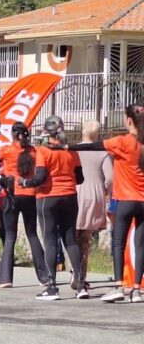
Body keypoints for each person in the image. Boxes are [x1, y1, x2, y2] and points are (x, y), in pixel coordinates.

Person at [65, 105, 144, 302]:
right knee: (141, 244)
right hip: (143, 201)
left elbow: (94, 146)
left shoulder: (123, 141)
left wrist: (68, 147)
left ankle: (118, 286)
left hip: (126, 199)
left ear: (128, 121)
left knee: (118, 243)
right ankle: (136, 289)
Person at [19, 115, 86, 300]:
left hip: (48, 198)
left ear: (46, 131)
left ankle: (51, 286)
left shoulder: (44, 151)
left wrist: (24, 182)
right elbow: (80, 178)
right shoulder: (71, 151)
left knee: (49, 240)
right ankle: (81, 285)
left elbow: (39, 178)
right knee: (71, 240)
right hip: (70, 196)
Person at [0, 122, 48, 287]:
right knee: (32, 234)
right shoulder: (35, 151)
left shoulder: (6, 150)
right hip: (30, 195)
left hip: (11, 195)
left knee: (10, 236)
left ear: (13, 135)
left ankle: (5, 279)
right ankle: (44, 277)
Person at [73, 120, 113, 290]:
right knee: (86, 238)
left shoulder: (74, 150)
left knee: (72, 236)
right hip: (95, 193)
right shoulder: (102, 152)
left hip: (75, 192)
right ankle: (82, 275)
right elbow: (110, 177)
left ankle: (74, 271)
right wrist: (104, 189)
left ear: (82, 131)